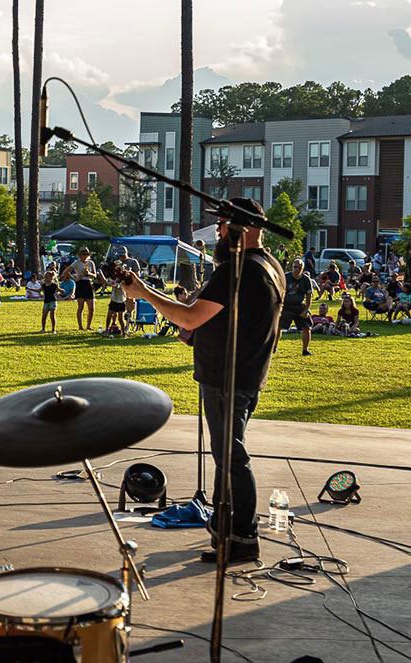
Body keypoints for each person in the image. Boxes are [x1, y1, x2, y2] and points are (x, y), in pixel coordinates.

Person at [118, 198, 283, 563]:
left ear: (243, 228)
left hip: (227, 376)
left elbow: (189, 318)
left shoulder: (236, 270)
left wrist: (143, 291)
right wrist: (200, 330)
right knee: (228, 454)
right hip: (247, 374)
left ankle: (242, 536)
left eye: (224, 224)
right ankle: (228, 527)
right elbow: (228, 319)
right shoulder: (270, 266)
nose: (220, 231)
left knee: (231, 456)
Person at [277, 259, 315, 357]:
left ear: (302, 268)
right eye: (295, 267)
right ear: (292, 267)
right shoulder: (285, 277)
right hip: (286, 306)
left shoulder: (306, 279)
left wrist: (306, 310)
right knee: (278, 327)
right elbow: (279, 293)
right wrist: (279, 307)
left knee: (307, 328)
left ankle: (305, 350)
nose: (297, 269)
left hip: (299, 306)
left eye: (299, 267)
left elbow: (309, 296)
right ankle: (274, 347)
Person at [61, 247, 99, 330]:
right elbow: (65, 272)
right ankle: (80, 326)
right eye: (83, 254)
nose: (85, 256)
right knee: (80, 307)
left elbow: (95, 275)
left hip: (88, 284)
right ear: (80, 255)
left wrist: (89, 273)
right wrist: (76, 278)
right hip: (80, 284)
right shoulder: (76, 263)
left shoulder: (91, 263)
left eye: (86, 254)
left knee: (91, 307)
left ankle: (88, 326)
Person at [103, 267, 128, 336]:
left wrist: (110, 283)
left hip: (121, 301)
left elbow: (116, 286)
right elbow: (110, 282)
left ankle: (123, 332)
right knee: (109, 316)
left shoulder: (123, 281)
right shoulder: (115, 279)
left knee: (120, 319)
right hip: (114, 300)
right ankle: (106, 331)